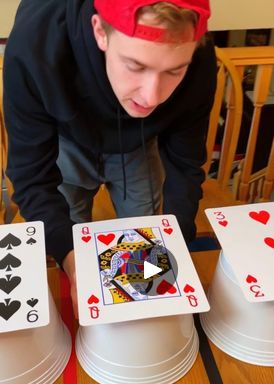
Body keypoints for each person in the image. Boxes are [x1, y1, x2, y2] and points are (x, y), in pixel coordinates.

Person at [3, 0, 217, 315]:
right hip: (66, 137)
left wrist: (174, 243)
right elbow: (31, 176)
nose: (152, 97)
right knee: (69, 234)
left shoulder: (199, 60)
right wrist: (71, 258)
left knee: (150, 241)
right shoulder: (34, 46)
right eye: (135, 65)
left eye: (174, 71)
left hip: (140, 143)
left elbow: (185, 166)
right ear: (100, 31)